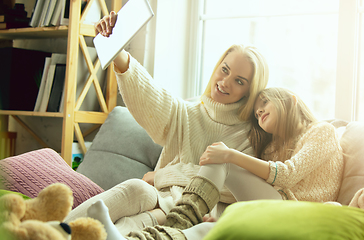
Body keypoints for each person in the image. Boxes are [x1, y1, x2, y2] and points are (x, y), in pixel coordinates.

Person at [64, 10, 270, 237]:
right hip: (159, 197)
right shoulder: (188, 113)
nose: (224, 82)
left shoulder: (251, 135)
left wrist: (164, 175)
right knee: (135, 188)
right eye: (224, 70)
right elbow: (148, 95)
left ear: (249, 90)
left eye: (239, 81)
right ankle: (53, 230)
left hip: (197, 213)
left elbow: (230, 187)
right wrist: (116, 49)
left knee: (139, 217)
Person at [83, 87, 345, 240]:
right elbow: (252, 195)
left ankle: (177, 222)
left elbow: (286, 176)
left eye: (265, 103)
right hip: (274, 211)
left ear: (290, 100)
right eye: (256, 112)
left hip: (301, 216)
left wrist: (230, 155)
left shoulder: (321, 132)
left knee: (224, 159)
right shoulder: (272, 148)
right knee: (206, 229)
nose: (260, 111)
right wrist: (224, 215)